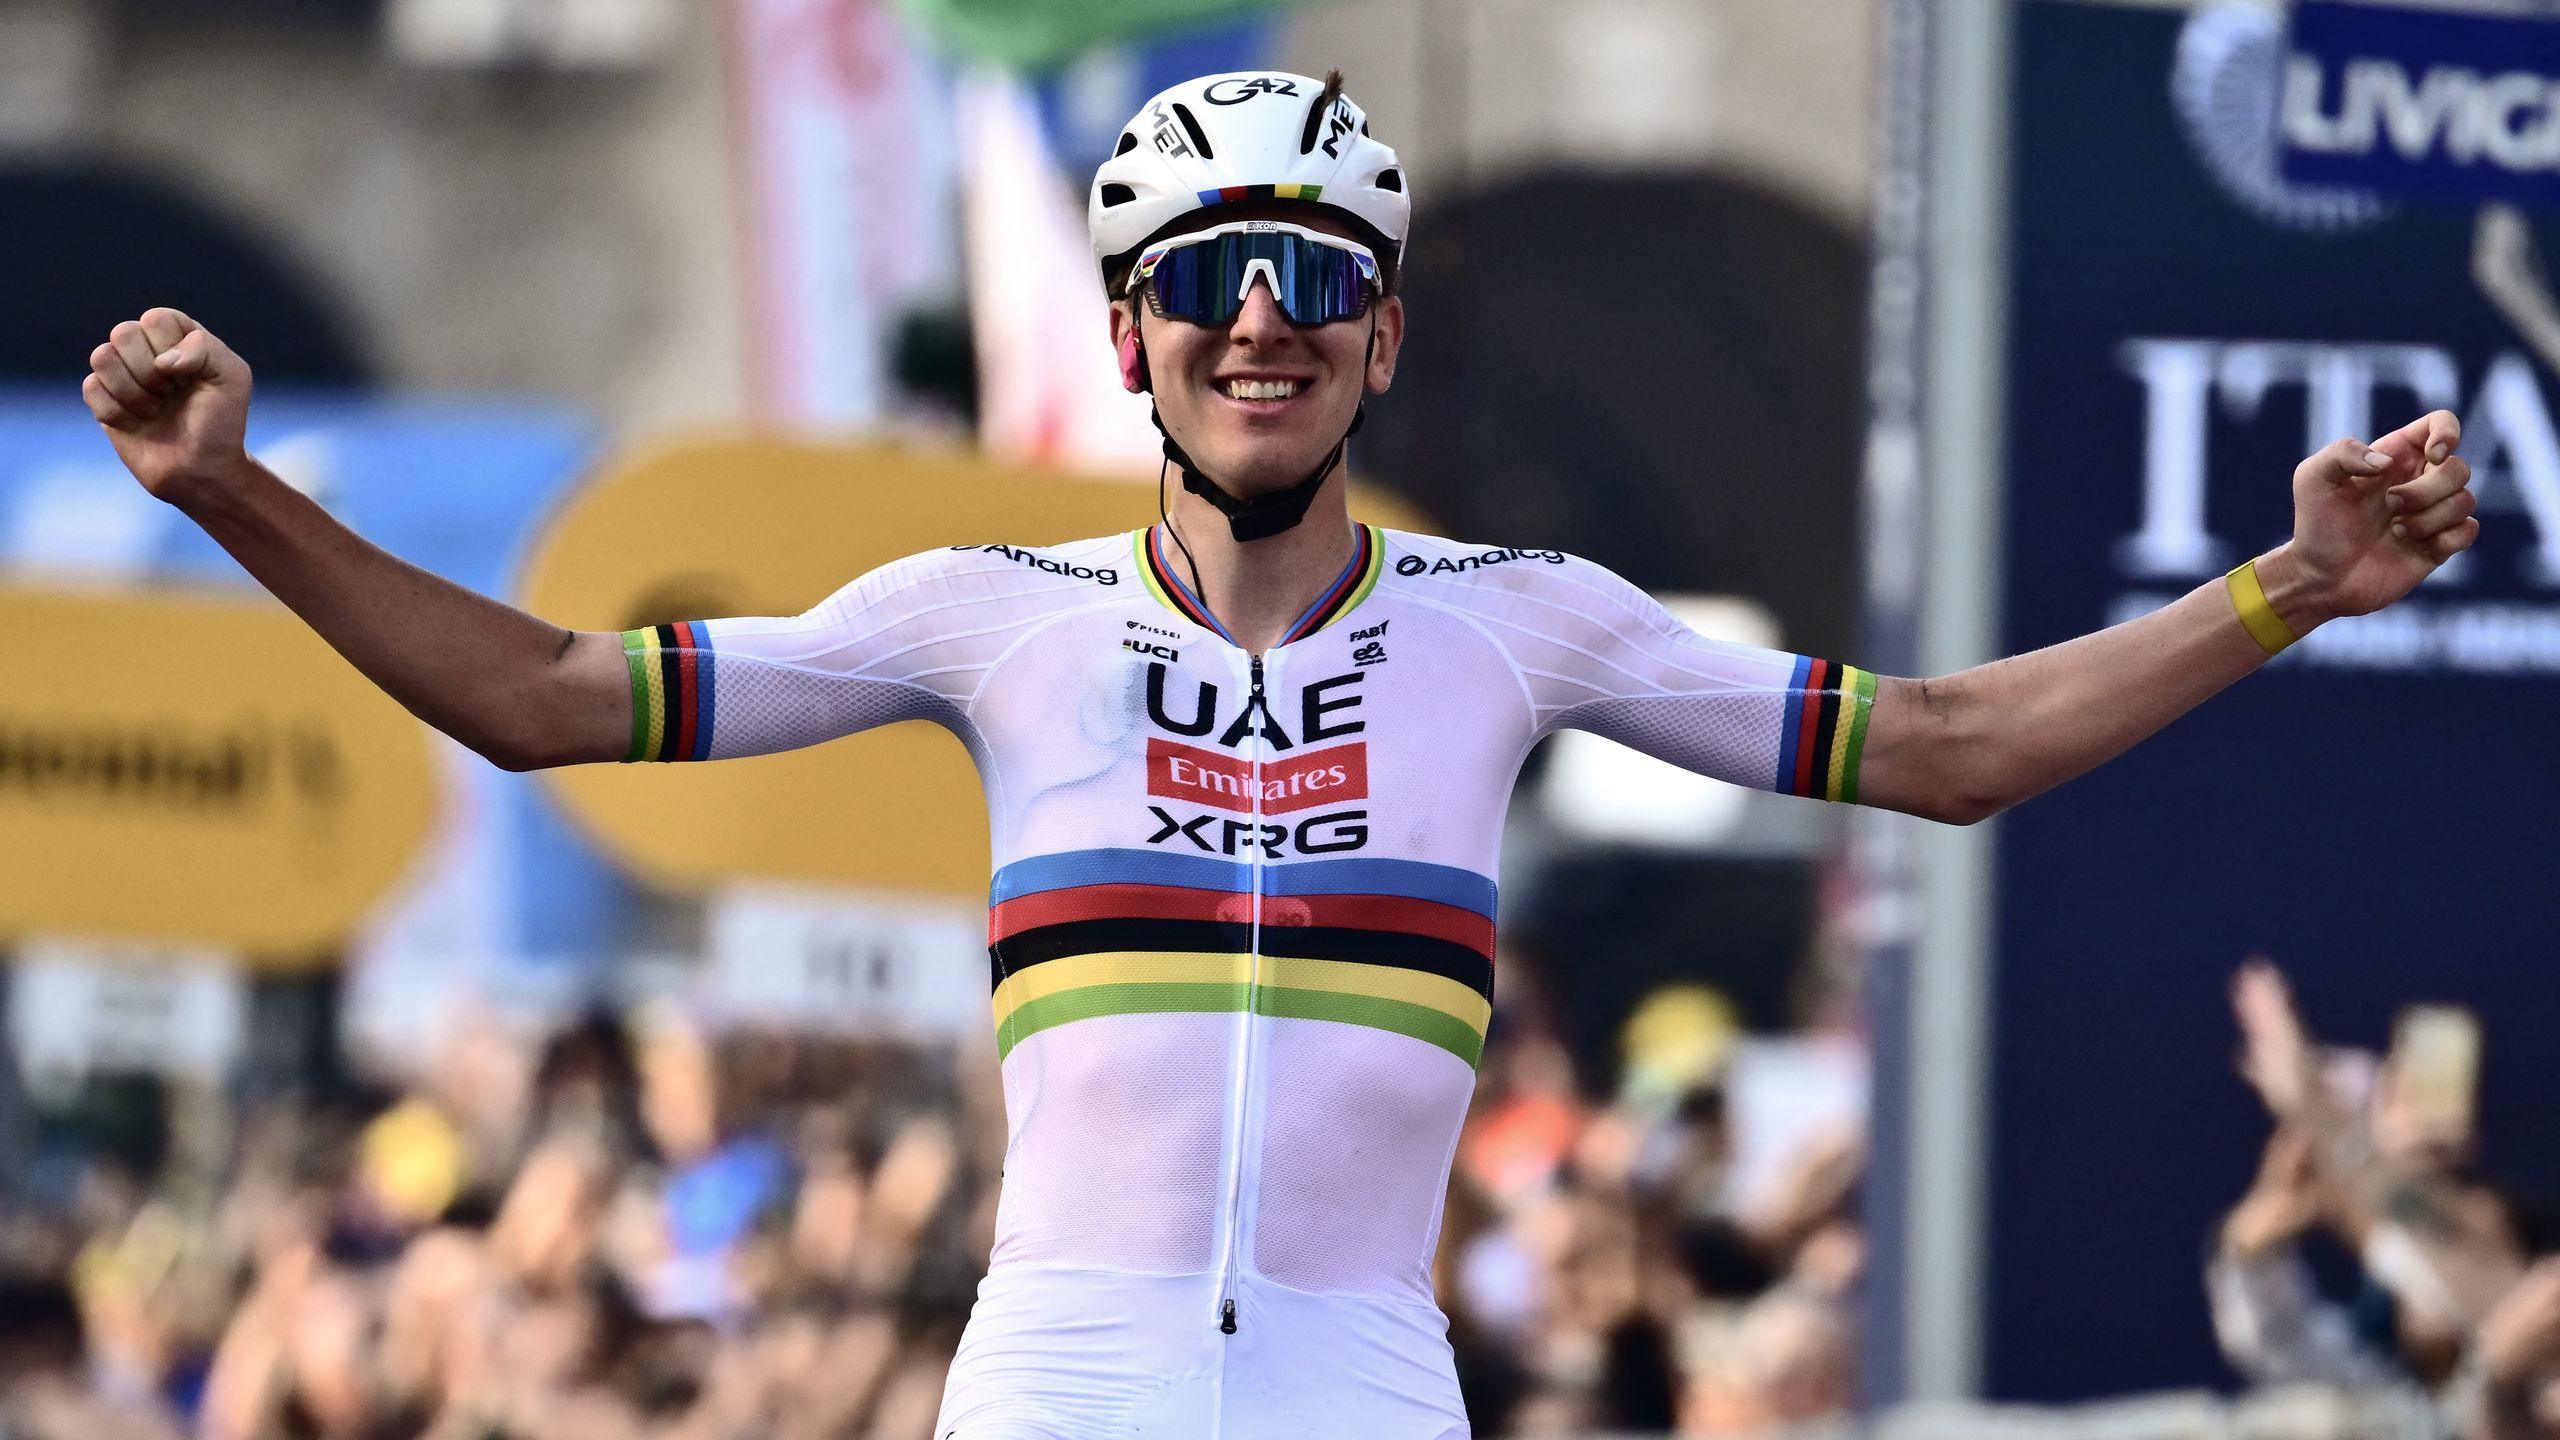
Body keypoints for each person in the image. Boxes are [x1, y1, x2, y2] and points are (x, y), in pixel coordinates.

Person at [81, 67, 2478, 1440]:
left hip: (1360, 1375)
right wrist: (230, 495)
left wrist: (2283, 588)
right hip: (1058, 1368)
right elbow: (538, 698)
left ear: (1380, 340)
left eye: (1314, 278)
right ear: (1132, 341)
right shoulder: (983, 613)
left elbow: (1941, 747)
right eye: (1206, 284)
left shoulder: (1517, 621)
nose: (1261, 322)